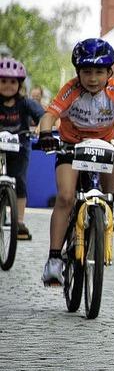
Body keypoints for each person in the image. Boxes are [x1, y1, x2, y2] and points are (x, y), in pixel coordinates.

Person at [38, 38, 114, 285]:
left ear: (109, 72)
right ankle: (54, 260)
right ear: (78, 72)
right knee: (66, 197)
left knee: (109, 154)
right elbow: (49, 116)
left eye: (99, 72)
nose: (93, 78)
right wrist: (46, 134)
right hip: (70, 147)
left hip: (101, 147)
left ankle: (110, 205)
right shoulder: (71, 89)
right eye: (87, 72)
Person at [0, 58, 44, 240]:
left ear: (19, 84)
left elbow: (44, 116)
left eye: (12, 82)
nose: (8, 86)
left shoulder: (25, 103)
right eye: (3, 81)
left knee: (20, 181)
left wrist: (42, 128)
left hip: (20, 148)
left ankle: (19, 222)